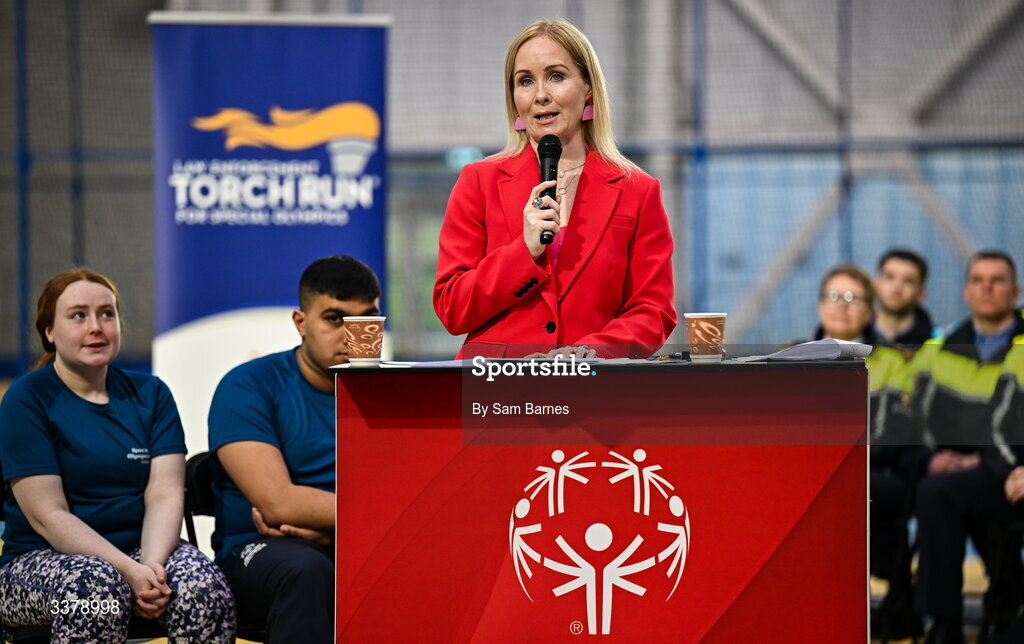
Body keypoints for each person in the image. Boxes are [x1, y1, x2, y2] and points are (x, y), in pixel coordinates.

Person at [0, 269, 235, 643]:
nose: (96, 326)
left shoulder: (152, 394)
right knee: (96, 593)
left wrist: (152, 569)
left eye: (106, 314)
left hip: (143, 552)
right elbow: (49, 517)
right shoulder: (26, 399)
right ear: (49, 332)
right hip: (35, 563)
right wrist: (129, 571)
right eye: (78, 315)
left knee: (203, 587)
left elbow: (165, 494)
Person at [433, 19, 676, 360]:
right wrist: (524, 251)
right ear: (514, 99)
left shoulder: (638, 190)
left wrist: (592, 352)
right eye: (525, 81)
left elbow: (653, 311)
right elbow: (452, 307)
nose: (540, 95)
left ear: (588, 88)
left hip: (593, 390)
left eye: (556, 76)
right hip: (496, 389)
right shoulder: (478, 180)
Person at [208, 255, 381, 644]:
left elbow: (414, 495)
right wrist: (370, 520)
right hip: (257, 552)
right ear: (301, 323)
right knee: (305, 568)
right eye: (335, 319)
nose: (352, 335)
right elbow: (279, 505)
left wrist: (334, 528)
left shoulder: (391, 392)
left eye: (365, 319)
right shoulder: (247, 386)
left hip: (357, 542)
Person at [909, 250, 1024, 642]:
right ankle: (944, 625)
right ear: (966, 291)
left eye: (997, 280)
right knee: (934, 491)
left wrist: (987, 461)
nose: (987, 288)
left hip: (1008, 469)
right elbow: (913, 419)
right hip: (962, 473)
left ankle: (1007, 610)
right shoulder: (936, 351)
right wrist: (932, 457)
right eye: (978, 280)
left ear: (1016, 291)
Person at [873, 248, 936, 349]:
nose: (897, 287)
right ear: (876, 284)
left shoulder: (936, 343)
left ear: (921, 293)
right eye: (890, 277)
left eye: (908, 281)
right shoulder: (853, 334)